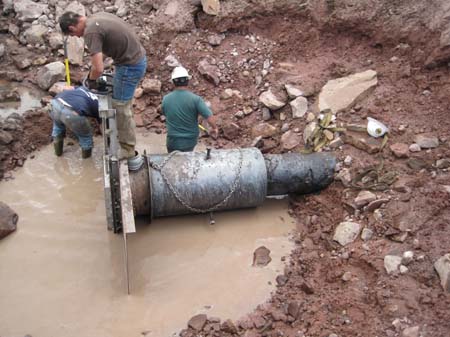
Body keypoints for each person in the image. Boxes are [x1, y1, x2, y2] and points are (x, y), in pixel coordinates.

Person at [59, 11, 147, 159]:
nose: (78, 37)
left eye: (75, 35)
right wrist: (94, 65)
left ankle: (127, 149)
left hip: (129, 66)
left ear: (72, 28)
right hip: (135, 58)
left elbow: (99, 69)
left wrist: (91, 80)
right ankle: (124, 135)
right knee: (123, 102)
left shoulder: (90, 31)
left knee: (120, 106)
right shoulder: (96, 17)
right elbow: (106, 49)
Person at [162, 66, 219, 153]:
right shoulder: (196, 99)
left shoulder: (166, 99)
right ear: (187, 81)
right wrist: (214, 128)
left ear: (173, 82)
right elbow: (209, 116)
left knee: (172, 161)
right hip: (190, 141)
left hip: (172, 141)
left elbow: (165, 112)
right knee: (186, 161)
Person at [49, 86, 99, 159]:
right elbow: (101, 125)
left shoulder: (82, 88)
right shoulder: (98, 103)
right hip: (72, 113)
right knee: (86, 137)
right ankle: (87, 162)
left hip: (54, 103)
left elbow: (66, 88)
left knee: (58, 127)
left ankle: (58, 154)